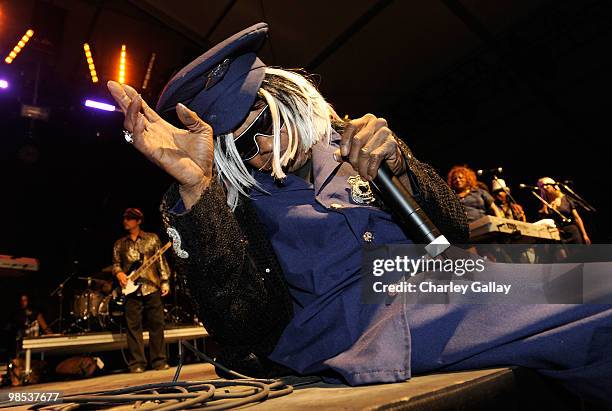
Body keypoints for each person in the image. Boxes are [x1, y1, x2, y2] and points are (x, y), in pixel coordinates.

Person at [107, 23, 612, 406]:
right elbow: (240, 324)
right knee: (598, 298)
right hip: (362, 324)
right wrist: (198, 189)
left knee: (597, 293)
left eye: (262, 120)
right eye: (236, 144)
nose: (260, 146)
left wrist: (402, 164)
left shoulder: (351, 138)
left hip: (442, 280)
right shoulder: (229, 202)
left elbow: (454, 230)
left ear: (287, 98)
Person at [112, 208, 171, 372]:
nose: (126, 221)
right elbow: (116, 264)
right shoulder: (119, 244)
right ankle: (137, 363)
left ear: (138, 221)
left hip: (151, 286)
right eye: (125, 218)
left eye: (130, 218)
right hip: (130, 290)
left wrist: (165, 281)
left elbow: (160, 260)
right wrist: (120, 274)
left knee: (157, 325)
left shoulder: (152, 239)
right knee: (133, 327)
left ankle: (159, 361)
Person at [537, 177, 591, 244]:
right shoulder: (544, 204)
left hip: (572, 231)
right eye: (541, 186)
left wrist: (584, 235)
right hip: (558, 235)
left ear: (553, 185)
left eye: (546, 184)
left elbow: (577, 218)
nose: (544, 187)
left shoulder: (566, 198)